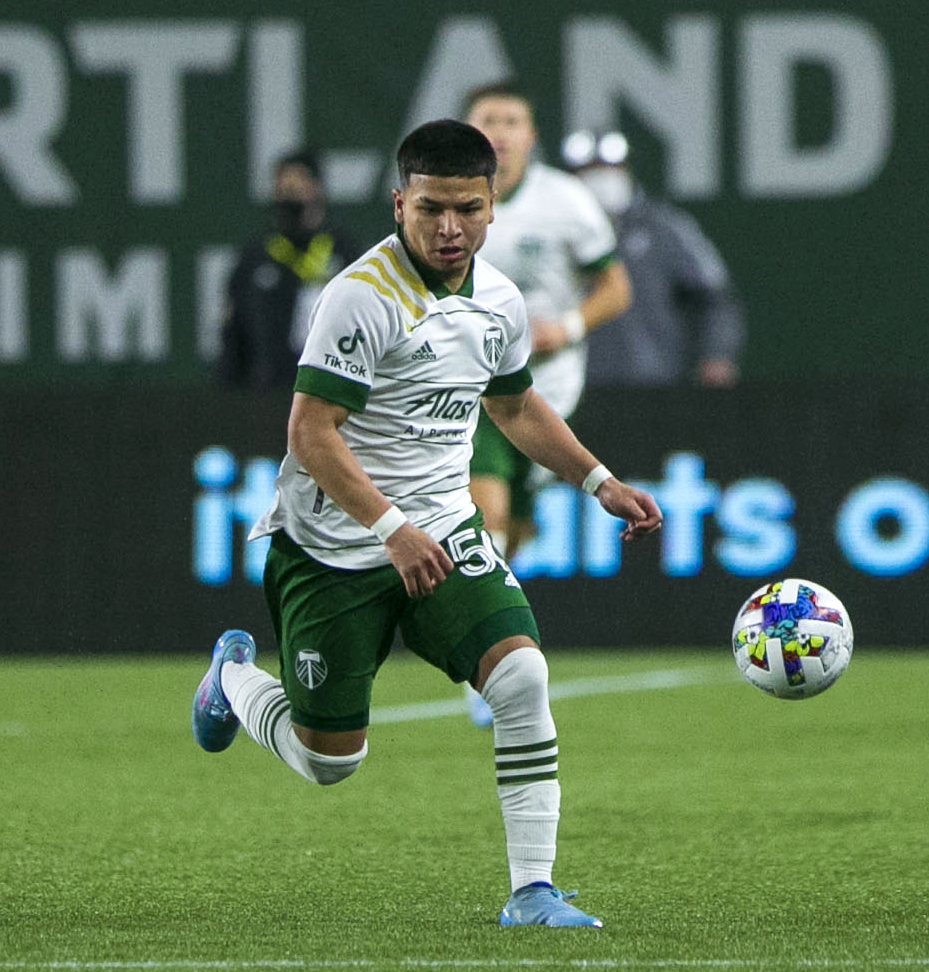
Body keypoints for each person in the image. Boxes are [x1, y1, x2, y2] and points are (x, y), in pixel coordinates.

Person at [189, 119, 662, 928]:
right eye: (432, 209)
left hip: (445, 529)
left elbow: (512, 405)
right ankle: (233, 679)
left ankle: (532, 892)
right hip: (332, 548)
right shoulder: (359, 298)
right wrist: (387, 529)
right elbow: (310, 434)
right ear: (398, 203)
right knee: (328, 762)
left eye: (469, 209)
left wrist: (596, 479)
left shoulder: (500, 301)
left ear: (493, 204)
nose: (450, 228)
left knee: (521, 676)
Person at [458, 82, 632, 728]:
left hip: (550, 390)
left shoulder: (567, 202)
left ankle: (480, 628)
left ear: (532, 135)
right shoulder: (453, 203)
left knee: (516, 529)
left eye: (512, 119)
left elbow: (615, 286)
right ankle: (488, 665)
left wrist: (571, 326)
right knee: (487, 511)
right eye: (487, 120)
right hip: (473, 386)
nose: (500, 130)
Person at [560, 129, 745, 389]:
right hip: (568, 386)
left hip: (653, 389)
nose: (600, 178)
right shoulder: (551, 230)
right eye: (588, 170)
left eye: (610, 168)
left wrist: (717, 355)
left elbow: (714, 298)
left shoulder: (664, 228)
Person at [218, 149, 359, 391]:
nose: (289, 202)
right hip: (269, 391)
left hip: (329, 390)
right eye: (283, 192)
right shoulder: (257, 256)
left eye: (297, 191)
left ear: (317, 190)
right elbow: (234, 334)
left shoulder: (344, 253)